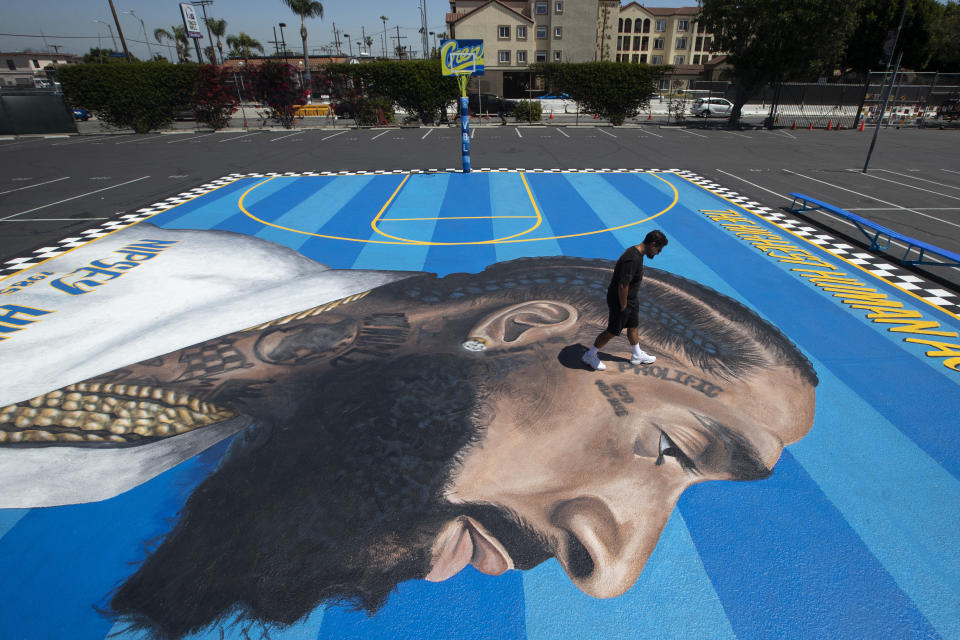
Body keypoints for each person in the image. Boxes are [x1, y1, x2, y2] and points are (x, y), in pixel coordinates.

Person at [1, 229, 817, 638]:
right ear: (525, 327)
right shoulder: (142, 288)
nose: (610, 569)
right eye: (669, 448)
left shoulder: (136, 444)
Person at [582, 230, 668, 372]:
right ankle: (589, 355)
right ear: (653, 244)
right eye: (658, 249)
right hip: (621, 300)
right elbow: (623, 285)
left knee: (633, 326)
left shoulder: (638, 254)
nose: (658, 253)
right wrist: (623, 306)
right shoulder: (632, 258)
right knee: (612, 331)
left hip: (631, 299)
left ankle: (637, 355)